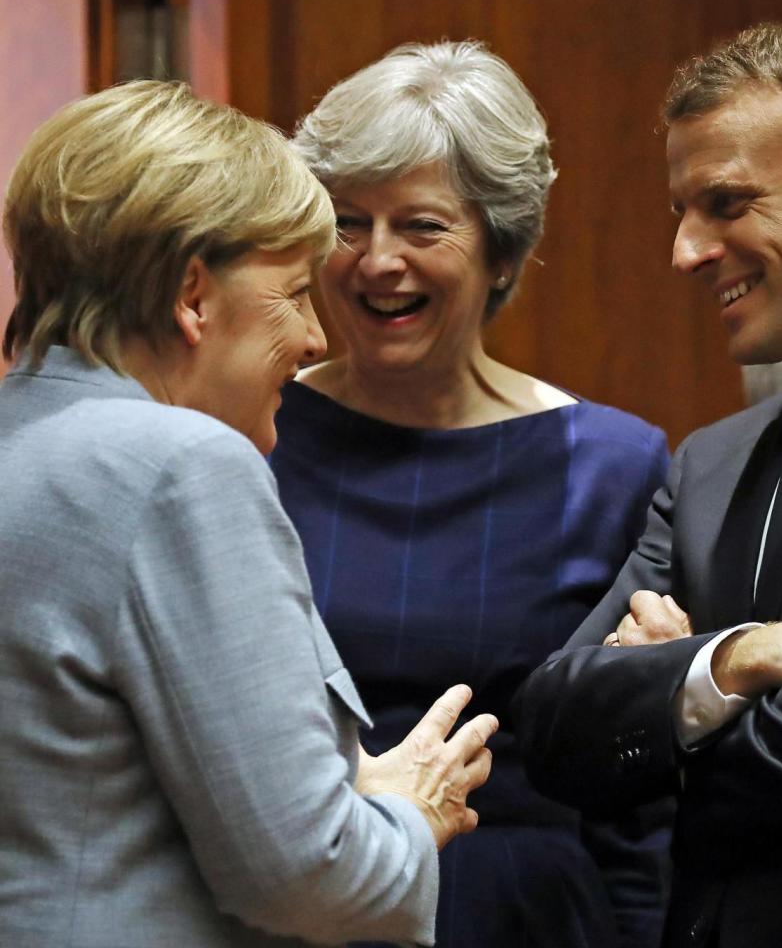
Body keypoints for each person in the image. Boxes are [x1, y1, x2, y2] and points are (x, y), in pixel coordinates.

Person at [0, 79, 499, 948]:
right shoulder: (179, 468)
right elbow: (307, 878)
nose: (316, 338)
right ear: (193, 296)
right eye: (295, 292)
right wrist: (408, 819)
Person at [515, 17, 782, 948]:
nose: (684, 252)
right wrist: (737, 659)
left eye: (724, 203)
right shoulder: (713, 459)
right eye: (683, 212)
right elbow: (554, 726)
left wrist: (671, 703)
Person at [270, 41, 672, 948]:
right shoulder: (249, 434)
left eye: (421, 226)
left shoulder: (612, 462)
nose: (377, 262)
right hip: (294, 904)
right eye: (348, 223)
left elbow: (637, 786)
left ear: (501, 251)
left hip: (526, 913)